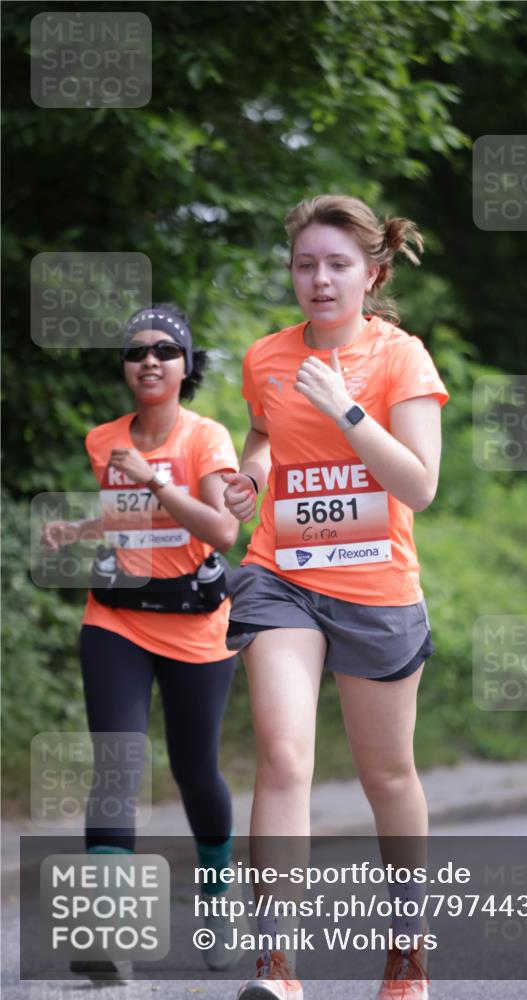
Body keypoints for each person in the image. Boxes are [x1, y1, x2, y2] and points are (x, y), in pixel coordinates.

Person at [222, 196, 449, 1000]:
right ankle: (276, 966)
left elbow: (417, 485)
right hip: (280, 573)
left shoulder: (401, 360)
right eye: (305, 264)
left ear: (372, 273)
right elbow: (259, 434)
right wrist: (248, 479)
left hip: (375, 587)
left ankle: (405, 952)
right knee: (283, 756)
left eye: (336, 264)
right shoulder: (266, 357)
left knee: (385, 774)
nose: (318, 279)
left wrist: (345, 408)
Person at [41, 304, 247, 980]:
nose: (149, 360)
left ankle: (217, 898)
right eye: (136, 352)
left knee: (195, 770)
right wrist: (76, 529)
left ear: (186, 367)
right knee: (117, 762)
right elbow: (124, 515)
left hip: (193, 624)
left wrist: (156, 477)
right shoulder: (104, 440)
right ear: (126, 368)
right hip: (117, 618)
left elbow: (221, 533)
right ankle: (105, 933)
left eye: (165, 350)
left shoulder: (204, 437)